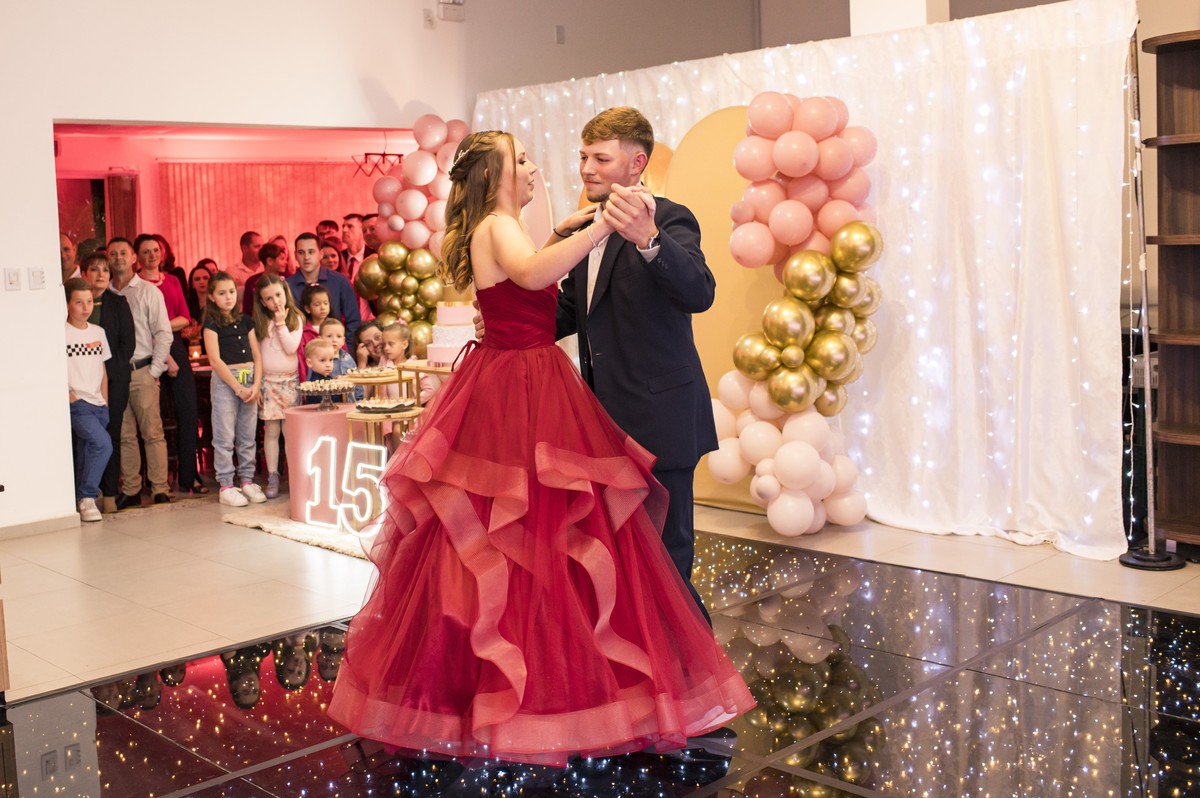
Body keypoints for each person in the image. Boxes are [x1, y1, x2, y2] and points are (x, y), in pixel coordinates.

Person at [326, 131, 752, 766]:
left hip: (554, 386)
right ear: (495, 175)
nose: (541, 169)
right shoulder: (503, 227)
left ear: (635, 162)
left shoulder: (604, 222)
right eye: (521, 161)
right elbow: (533, 275)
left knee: (562, 542)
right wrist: (596, 232)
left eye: (594, 159)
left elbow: (548, 293)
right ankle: (584, 694)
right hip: (522, 389)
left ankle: (657, 685)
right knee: (534, 538)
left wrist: (589, 233)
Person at [554, 107, 718, 623]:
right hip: (601, 423)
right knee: (616, 553)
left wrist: (649, 240)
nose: (586, 168)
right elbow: (568, 312)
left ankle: (691, 664)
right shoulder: (585, 229)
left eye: (600, 157)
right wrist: (509, 318)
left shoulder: (670, 218)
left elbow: (700, 291)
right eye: (583, 156)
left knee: (669, 556)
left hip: (662, 418)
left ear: (636, 162)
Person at [108, 237, 173, 509]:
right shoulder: (104, 294)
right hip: (116, 374)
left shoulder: (148, 292)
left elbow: (164, 333)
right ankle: (132, 489)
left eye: (124, 252)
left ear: (133, 258)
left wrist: (155, 370)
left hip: (143, 370)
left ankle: (160, 488)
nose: (119, 257)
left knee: (152, 432)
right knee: (124, 435)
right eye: (113, 254)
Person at [135, 233, 201, 496]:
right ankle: (156, 479)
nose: (152, 256)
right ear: (137, 257)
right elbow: (140, 325)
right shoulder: (135, 284)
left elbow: (185, 317)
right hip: (146, 346)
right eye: (146, 252)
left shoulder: (172, 280)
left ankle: (189, 476)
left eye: (156, 250)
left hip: (173, 344)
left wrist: (162, 329)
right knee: (154, 415)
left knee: (188, 410)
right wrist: (161, 342)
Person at [202, 271, 266, 507]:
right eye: (222, 293)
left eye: (231, 291)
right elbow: (215, 361)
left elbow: (257, 355)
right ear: (212, 297)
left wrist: (256, 385)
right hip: (227, 382)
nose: (228, 297)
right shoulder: (211, 323)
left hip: (249, 379)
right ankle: (227, 484)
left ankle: (247, 480)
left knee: (247, 434)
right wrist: (238, 387)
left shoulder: (246, 320)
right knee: (225, 435)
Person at [80, 252, 136, 514]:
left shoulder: (118, 302)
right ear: (84, 274)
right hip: (81, 383)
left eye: (105, 269)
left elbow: (128, 344)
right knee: (87, 437)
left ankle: (110, 494)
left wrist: (107, 372)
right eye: (94, 269)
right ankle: (85, 494)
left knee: (111, 434)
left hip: (114, 381)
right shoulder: (73, 305)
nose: (101, 274)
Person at [64, 277, 113, 522]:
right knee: (103, 444)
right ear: (67, 305)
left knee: (87, 451)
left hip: (99, 404)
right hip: (78, 404)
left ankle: (78, 500)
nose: (85, 307)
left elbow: (102, 369)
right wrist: (70, 396)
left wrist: (104, 400)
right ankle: (87, 497)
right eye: (78, 302)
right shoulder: (61, 333)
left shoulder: (98, 332)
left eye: (89, 301)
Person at [252, 275, 303, 499]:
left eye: (278, 295)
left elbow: (291, 348)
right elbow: (257, 356)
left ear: (286, 292)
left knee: (289, 431)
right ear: (262, 302)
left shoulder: (295, 319)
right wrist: (258, 384)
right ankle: (273, 475)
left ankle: (294, 476)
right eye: (269, 298)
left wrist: (281, 322)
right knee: (271, 431)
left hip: (290, 382)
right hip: (268, 383)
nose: (276, 302)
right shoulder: (260, 323)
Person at [287, 232, 361, 344]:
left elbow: (354, 321)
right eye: (301, 253)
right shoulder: (287, 286)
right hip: (299, 352)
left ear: (320, 254)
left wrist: (345, 350)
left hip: (335, 352)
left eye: (311, 252)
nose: (306, 257)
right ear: (296, 255)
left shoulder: (340, 281)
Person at [297, 283, 331, 377]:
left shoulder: (334, 327)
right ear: (308, 308)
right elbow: (302, 360)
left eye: (325, 303)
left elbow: (344, 354)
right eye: (317, 304)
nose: (323, 307)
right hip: (312, 381)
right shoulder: (304, 332)